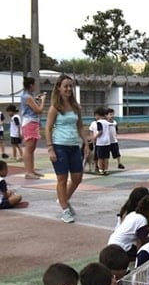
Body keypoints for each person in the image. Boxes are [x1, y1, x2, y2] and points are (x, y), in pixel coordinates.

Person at [44, 74, 86, 224]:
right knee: (62, 179)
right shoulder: (55, 108)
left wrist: (86, 143)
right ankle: (65, 209)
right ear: (59, 88)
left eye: (70, 86)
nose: (68, 89)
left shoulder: (76, 107)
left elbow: (80, 126)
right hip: (59, 145)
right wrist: (50, 148)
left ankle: (63, 199)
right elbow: (48, 128)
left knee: (77, 177)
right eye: (65, 86)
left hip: (74, 146)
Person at [108, 194, 149, 262]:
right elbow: (140, 242)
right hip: (121, 249)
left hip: (112, 242)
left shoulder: (132, 214)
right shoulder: (142, 220)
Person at [20, 76, 46, 179]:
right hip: (29, 122)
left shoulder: (28, 96)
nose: (35, 86)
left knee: (32, 148)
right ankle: (28, 172)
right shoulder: (27, 97)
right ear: (31, 85)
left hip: (33, 122)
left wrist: (36, 99)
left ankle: (31, 170)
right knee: (29, 148)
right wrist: (43, 101)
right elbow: (39, 110)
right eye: (34, 84)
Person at [89, 106, 111, 175]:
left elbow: (100, 131)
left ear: (97, 115)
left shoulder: (98, 122)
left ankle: (101, 169)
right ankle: (106, 169)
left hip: (100, 142)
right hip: (107, 142)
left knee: (100, 157)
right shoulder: (107, 122)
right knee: (106, 157)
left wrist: (94, 137)